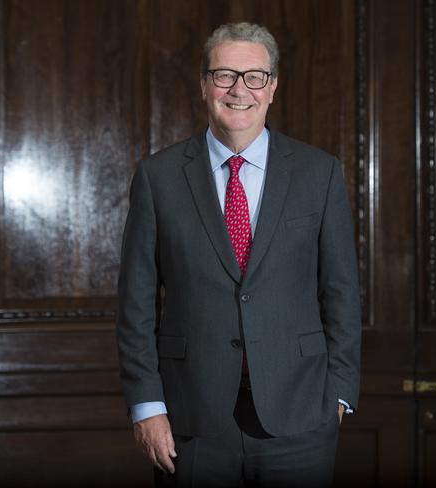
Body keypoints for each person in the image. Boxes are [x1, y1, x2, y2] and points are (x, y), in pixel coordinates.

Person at [116, 21, 361, 487]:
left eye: (254, 77)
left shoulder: (319, 173)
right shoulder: (158, 177)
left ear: (272, 88)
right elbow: (136, 303)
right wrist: (147, 406)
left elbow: (342, 291)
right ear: (205, 85)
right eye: (225, 75)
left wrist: (340, 394)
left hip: (301, 415)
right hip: (192, 422)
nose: (239, 89)